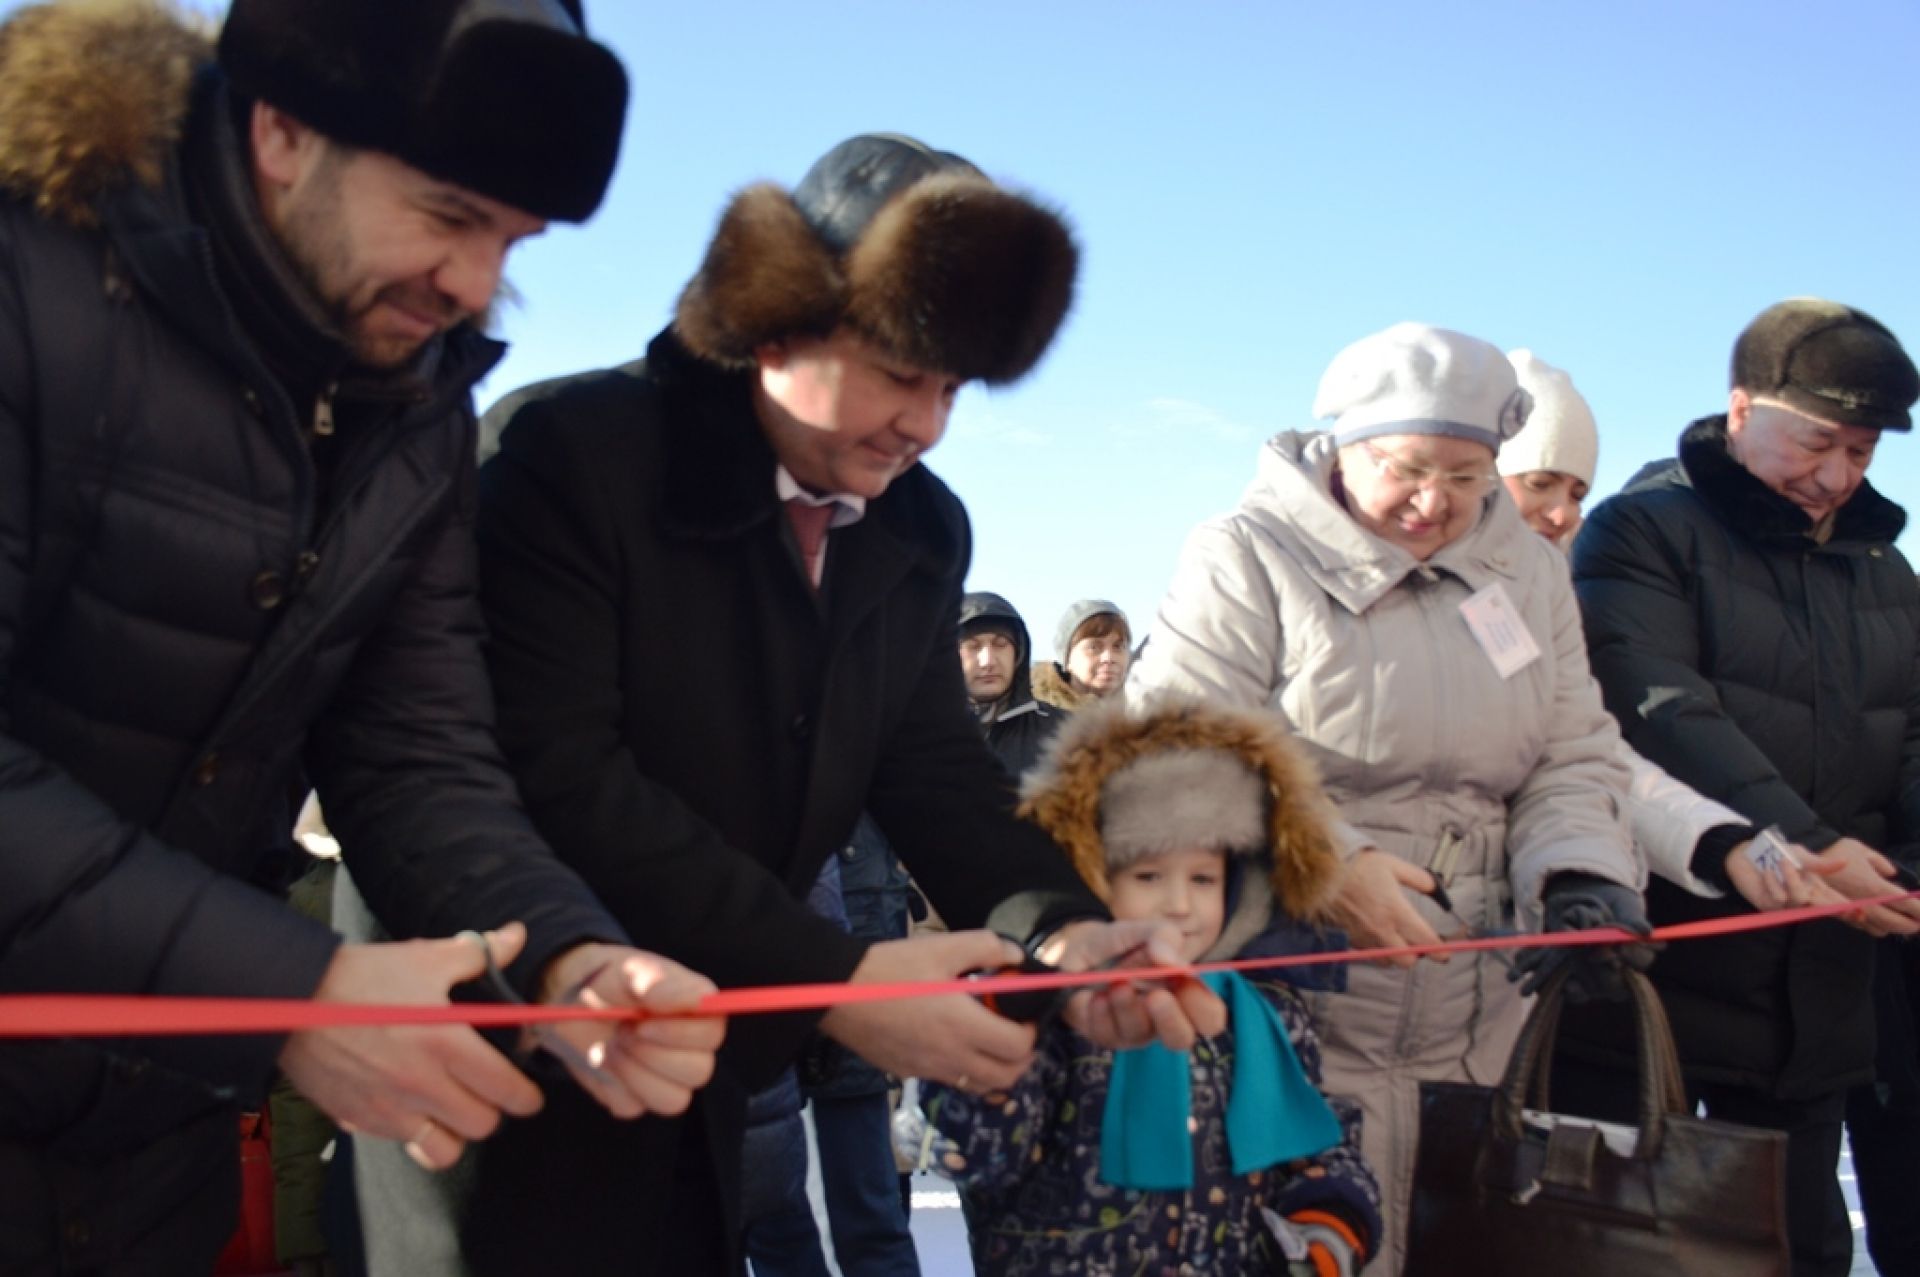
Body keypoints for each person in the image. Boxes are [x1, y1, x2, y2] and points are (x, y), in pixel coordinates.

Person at [0, 2, 729, 1271]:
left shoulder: (417, 405)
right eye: (449, 214)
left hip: (136, 1155)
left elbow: (418, 753)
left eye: (512, 240)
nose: (475, 285)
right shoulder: (26, 275)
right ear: (283, 129)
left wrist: (562, 954)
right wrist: (278, 991)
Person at [471, 132, 1225, 1274]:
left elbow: (929, 766)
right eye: (897, 370)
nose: (923, 423)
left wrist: (1069, 929)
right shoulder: (568, 452)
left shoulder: (918, 526)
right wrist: (830, 975)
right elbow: (560, 772)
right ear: (775, 321)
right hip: (514, 1039)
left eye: (954, 388)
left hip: (710, 1051)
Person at [1129, 322, 1647, 1275]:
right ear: (1347, 447)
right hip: (1296, 1003)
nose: (1434, 501)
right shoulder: (1247, 554)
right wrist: (1329, 860)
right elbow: (1179, 741)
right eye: (1409, 468)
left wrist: (1580, 867)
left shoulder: (1524, 573)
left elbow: (1573, 749)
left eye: (1467, 475)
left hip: (1478, 1010)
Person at [1550, 299, 1920, 1277]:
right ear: (1744, 406)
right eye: (1818, 443)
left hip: (1827, 984)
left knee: (1796, 1250)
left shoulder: (1885, 571)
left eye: (1865, 452)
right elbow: (1658, 707)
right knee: (1631, 1251)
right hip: (1665, 980)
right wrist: (1801, 841)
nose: (1837, 477)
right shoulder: (1641, 532)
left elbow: (1915, 735)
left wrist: (1905, 869)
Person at [924, 698, 1382, 1275]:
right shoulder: (1062, 1015)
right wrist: (995, 1036)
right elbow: (980, 1155)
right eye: (1147, 875)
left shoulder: (1270, 1013)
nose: (1179, 904)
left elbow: (1321, 1142)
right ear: (1092, 873)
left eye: (1203, 878)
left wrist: (1329, 1226)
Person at [1502, 350, 1846, 916]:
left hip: (1498, 951)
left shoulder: (1542, 611)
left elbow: (1584, 759)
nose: (1563, 513)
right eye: (1541, 483)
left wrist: (1726, 845)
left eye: (1577, 494)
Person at [958, 591, 1066, 778]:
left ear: (1018, 653)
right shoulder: (917, 735)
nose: (988, 661)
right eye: (973, 647)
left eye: (1000, 644)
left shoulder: (1063, 731)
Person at [1034, 599, 1132, 710]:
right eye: (1094, 647)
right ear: (1068, 660)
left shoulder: (1144, 717)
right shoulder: (1040, 719)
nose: (1108, 658)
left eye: (1118, 646)